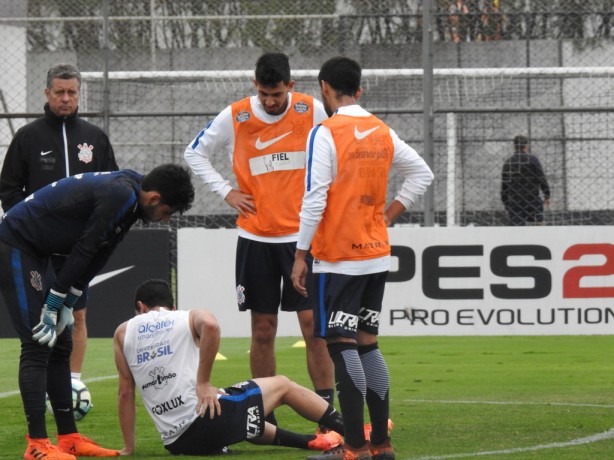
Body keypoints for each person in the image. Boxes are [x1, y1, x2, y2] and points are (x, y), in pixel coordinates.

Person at [291, 56, 434, 460]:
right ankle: (381, 446)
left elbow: (315, 197)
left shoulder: (326, 132)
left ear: (323, 88)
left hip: (338, 257)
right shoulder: (381, 130)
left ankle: (352, 445)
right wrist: (386, 216)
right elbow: (422, 174)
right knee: (368, 344)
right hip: (375, 255)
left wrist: (300, 254)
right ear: (360, 89)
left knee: (340, 345)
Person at [0, 164, 195, 460]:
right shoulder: (120, 194)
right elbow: (85, 247)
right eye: (167, 212)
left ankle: (68, 438)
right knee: (39, 342)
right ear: (154, 198)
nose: (164, 220)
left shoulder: (131, 199)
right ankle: (37, 445)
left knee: (62, 341)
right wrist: (54, 302)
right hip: (15, 243)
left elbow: (103, 250)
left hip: (42, 251)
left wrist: (70, 297)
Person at [184, 52, 334, 425]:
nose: (270, 101)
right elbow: (195, 152)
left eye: (277, 94)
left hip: (303, 239)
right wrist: (225, 191)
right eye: (264, 94)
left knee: (314, 327)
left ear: (291, 86)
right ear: (255, 85)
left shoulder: (312, 109)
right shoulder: (236, 115)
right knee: (263, 329)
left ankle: (329, 415)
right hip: (256, 238)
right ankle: (266, 415)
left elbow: (337, 149)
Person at [113, 278, 344, 456]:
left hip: (176, 442)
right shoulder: (183, 317)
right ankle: (350, 431)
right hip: (206, 423)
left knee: (232, 403)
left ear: (140, 306)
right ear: (173, 306)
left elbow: (125, 393)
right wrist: (203, 383)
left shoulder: (123, 332)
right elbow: (211, 326)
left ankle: (311, 442)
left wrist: (128, 448)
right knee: (283, 385)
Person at [0, 63, 119, 383]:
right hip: (36, 248)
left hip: (78, 248)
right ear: (47, 93)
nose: (66, 99)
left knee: (77, 314)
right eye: (59, 92)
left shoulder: (94, 137)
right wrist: (29, 230)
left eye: (72, 92)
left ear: (79, 93)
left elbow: (112, 187)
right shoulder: (28, 137)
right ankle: (42, 381)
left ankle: (73, 382)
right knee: (41, 314)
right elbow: (9, 191)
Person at [501, 135, 551, 226]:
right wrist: (547, 195)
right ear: (526, 146)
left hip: (515, 202)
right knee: (538, 226)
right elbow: (541, 178)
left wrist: (507, 204)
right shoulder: (533, 160)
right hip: (533, 201)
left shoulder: (508, 162)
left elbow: (504, 187)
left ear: (514, 146)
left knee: (517, 231)